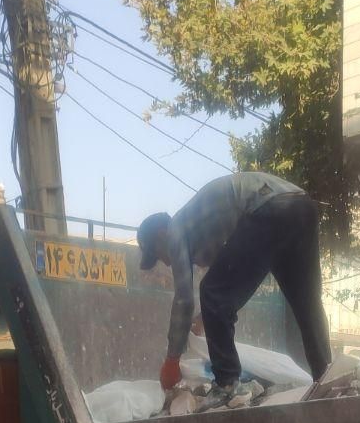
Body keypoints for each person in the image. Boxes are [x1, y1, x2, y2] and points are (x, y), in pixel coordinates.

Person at [137, 171, 332, 406]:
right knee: (306, 303)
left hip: (268, 208)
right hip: (300, 207)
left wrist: (172, 360)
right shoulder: (207, 223)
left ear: (161, 235)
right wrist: (206, 316)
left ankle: (227, 384)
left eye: (160, 255)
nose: (167, 263)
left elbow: (184, 300)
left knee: (210, 291)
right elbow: (234, 279)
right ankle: (327, 378)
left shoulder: (175, 230)